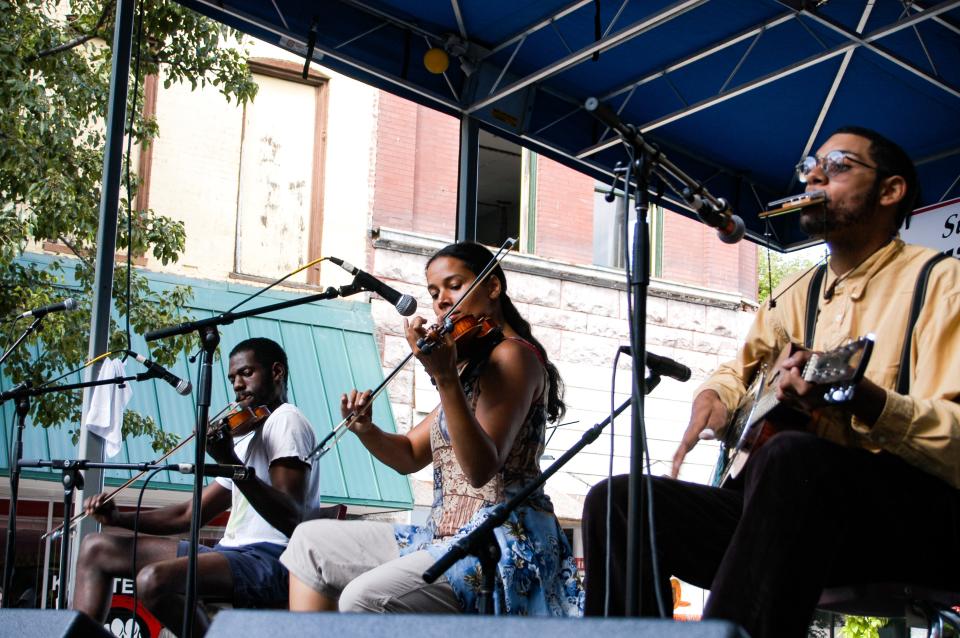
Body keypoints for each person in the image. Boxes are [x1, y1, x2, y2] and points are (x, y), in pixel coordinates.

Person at [582, 126, 960, 636]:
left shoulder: (940, 283)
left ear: (890, 191)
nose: (814, 176)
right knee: (619, 503)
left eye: (839, 165)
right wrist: (717, 396)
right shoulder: (795, 294)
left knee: (789, 458)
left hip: (910, 526)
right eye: (809, 167)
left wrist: (869, 402)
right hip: (790, 515)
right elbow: (738, 369)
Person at [280, 241, 582, 615]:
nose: (441, 302)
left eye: (454, 286)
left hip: (499, 540)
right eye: (434, 292)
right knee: (309, 541)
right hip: (439, 533)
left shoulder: (512, 356)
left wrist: (444, 377)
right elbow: (409, 455)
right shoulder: (470, 367)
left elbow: (480, 468)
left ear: (493, 287)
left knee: (365, 597)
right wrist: (367, 429)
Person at [72, 337, 321, 634]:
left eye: (246, 373)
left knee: (153, 581)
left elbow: (291, 517)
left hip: (273, 559)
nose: (238, 384)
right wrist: (117, 519)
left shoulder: (286, 420)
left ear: (277, 372)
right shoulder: (249, 434)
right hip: (232, 553)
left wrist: (230, 460)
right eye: (232, 378)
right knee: (96, 548)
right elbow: (188, 516)